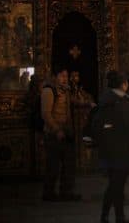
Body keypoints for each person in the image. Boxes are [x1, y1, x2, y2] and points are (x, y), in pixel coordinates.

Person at [96, 70, 129, 223]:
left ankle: (110, 216)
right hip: (121, 150)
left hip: (108, 150)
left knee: (115, 184)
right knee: (117, 185)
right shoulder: (122, 102)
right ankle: (115, 217)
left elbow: (98, 126)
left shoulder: (105, 101)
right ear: (123, 85)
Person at [41, 64, 80, 201]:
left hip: (66, 132)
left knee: (69, 164)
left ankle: (66, 192)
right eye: (62, 76)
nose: (65, 79)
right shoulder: (48, 90)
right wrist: (56, 129)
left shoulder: (66, 91)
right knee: (53, 165)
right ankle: (49, 193)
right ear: (54, 76)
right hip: (54, 134)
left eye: (66, 76)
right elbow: (46, 114)